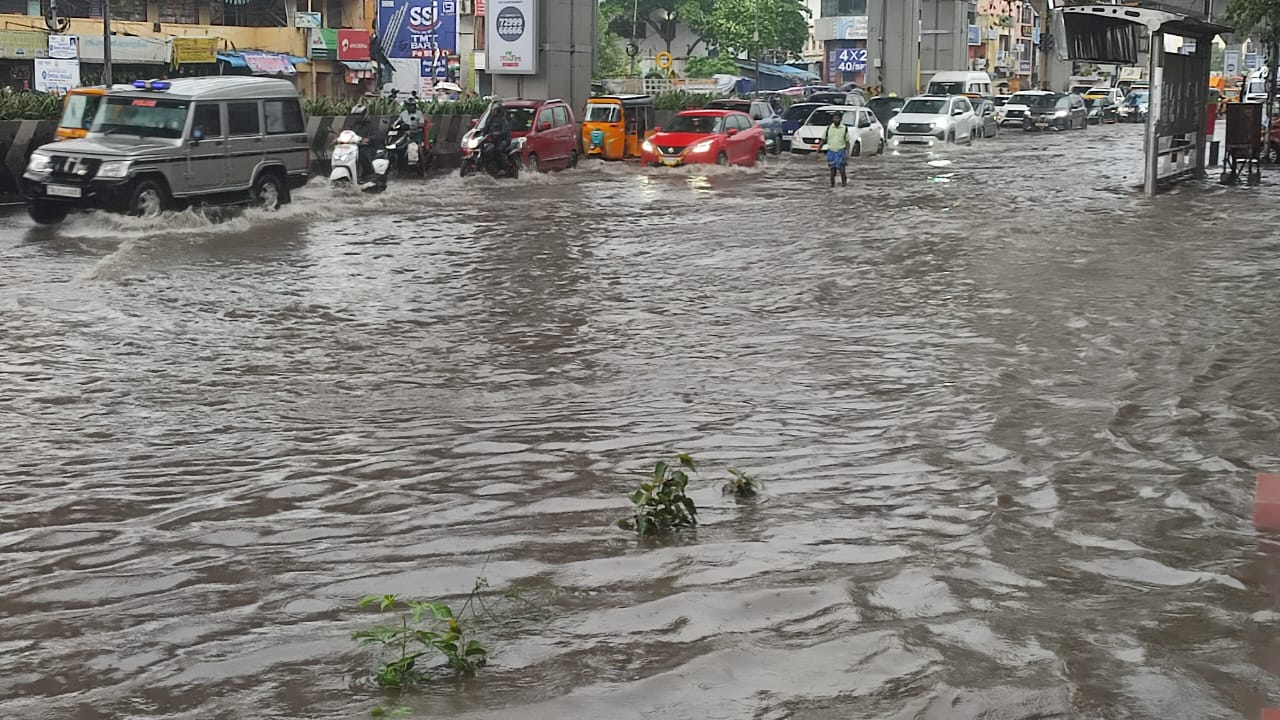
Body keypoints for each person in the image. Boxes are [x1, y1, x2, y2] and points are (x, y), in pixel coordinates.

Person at [821, 111, 852, 187]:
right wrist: (818, 150)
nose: (835, 120)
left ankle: (844, 185)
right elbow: (823, 139)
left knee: (842, 170)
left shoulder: (844, 128)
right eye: (834, 118)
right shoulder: (829, 128)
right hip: (831, 152)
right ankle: (832, 186)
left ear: (840, 119)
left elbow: (847, 142)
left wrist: (847, 153)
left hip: (841, 152)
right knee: (832, 171)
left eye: (837, 118)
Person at [477, 98, 511, 165]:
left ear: (498, 110)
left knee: (498, 150)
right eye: (493, 110)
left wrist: (499, 133)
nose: (493, 111)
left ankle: (502, 167)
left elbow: (506, 130)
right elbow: (486, 127)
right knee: (485, 148)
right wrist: (481, 131)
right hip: (493, 140)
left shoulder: (503, 120)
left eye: (495, 110)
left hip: (502, 140)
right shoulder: (490, 119)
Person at [350, 102, 378, 180]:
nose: (356, 117)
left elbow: (375, 135)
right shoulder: (353, 125)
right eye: (355, 115)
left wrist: (368, 139)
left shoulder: (371, 125)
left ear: (364, 115)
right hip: (354, 147)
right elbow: (348, 132)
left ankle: (367, 174)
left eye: (358, 115)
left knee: (363, 154)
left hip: (368, 147)